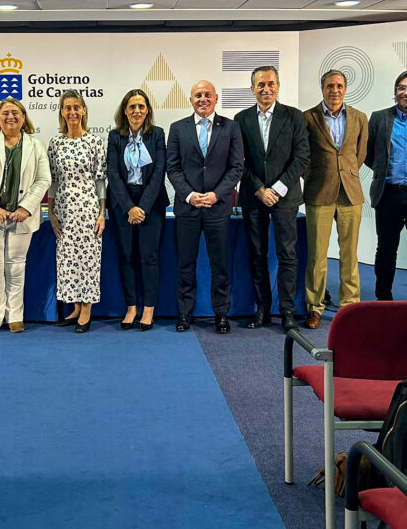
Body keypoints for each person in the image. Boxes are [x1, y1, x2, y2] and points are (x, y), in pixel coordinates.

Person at [166, 80, 244, 334]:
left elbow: (236, 168)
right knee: (185, 264)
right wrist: (189, 195)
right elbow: (173, 167)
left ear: (216, 98)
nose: (203, 99)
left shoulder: (231, 127)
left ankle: (221, 314)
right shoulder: (178, 128)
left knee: (219, 264)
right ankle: (185, 315)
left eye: (207, 94)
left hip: (217, 208)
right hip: (187, 208)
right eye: (198, 95)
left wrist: (216, 194)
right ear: (190, 100)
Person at [234, 66, 309, 330]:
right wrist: (259, 189)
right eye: (261, 84)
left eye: (271, 83)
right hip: (254, 197)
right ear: (252, 88)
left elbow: (302, 157)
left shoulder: (294, 117)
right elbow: (238, 161)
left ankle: (287, 311)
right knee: (257, 254)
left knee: (287, 255)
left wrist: (276, 189)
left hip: (285, 198)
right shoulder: (240, 119)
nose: (266, 89)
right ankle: (262, 309)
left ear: (278, 86)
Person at [0, 97, 51, 334]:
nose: (10, 117)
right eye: (5, 113)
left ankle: (15, 315)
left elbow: (44, 179)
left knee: (16, 267)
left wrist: (26, 207)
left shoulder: (36, 145)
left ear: (24, 117)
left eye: (15, 113)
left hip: (22, 216)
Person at [302, 70, 368, 329]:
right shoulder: (308, 118)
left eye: (339, 86)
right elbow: (303, 155)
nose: (335, 90)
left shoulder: (360, 118)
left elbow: (359, 154)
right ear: (322, 88)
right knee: (317, 255)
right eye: (330, 86)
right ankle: (314, 307)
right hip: (319, 192)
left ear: (345, 88)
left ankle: (349, 306)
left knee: (349, 254)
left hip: (351, 193)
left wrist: (346, 173)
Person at [365, 70, 407, 301]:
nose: (406, 92)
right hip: (388, 194)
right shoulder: (378, 117)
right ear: (395, 92)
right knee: (385, 251)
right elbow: (368, 153)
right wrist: (381, 170)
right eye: (401, 88)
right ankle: (383, 300)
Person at [106, 89, 167, 331]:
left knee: (149, 257)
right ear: (124, 111)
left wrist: (142, 207)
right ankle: (131, 307)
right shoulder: (114, 137)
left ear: (148, 110)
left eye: (141, 107)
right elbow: (113, 174)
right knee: (127, 256)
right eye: (132, 107)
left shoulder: (157, 135)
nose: (137, 111)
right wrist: (130, 207)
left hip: (151, 203)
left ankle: (149, 308)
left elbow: (159, 172)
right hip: (123, 204)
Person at [48, 90, 107, 333]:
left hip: (89, 209)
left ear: (84, 111)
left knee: (89, 259)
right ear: (62, 112)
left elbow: (101, 180)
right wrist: (51, 212)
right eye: (67, 107)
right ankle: (74, 306)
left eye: (76, 107)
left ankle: (86, 310)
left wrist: (102, 213)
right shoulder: (55, 143)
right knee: (67, 259)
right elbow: (52, 180)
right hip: (63, 210)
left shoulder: (94, 142)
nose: (72, 112)